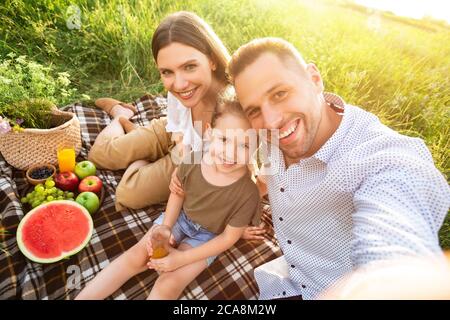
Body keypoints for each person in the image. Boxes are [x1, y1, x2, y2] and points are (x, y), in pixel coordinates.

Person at [226, 37, 450, 300]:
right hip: (285, 282)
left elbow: (394, 250)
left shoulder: (380, 159)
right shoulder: (268, 134)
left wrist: (388, 284)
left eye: (280, 94)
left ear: (314, 79)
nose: (272, 121)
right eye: (254, 110)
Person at [75, 96, 261, 300]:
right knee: (136, 256)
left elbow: (227, 238)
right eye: (224, 139)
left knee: (169, 282)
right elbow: (177, 194)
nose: (230, 152)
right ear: (209, 132)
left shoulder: (248, 193)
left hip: (210, 237)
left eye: (244, 145)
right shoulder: (193, 160)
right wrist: (166, 226)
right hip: (180, 219)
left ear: (257, 148)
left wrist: (181, 258)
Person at [87, 11, 230, 211]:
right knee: (99, 155)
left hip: (196, 160)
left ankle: (139, 146)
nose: (179, 84)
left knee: (128, 193)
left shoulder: (234, 106)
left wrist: (181, 165)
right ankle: (121, 115)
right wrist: (177, 143)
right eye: (167, 72)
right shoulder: (182, 90)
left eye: (189, 66)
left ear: (212, 59)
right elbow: (176, 127)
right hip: (173, 132)